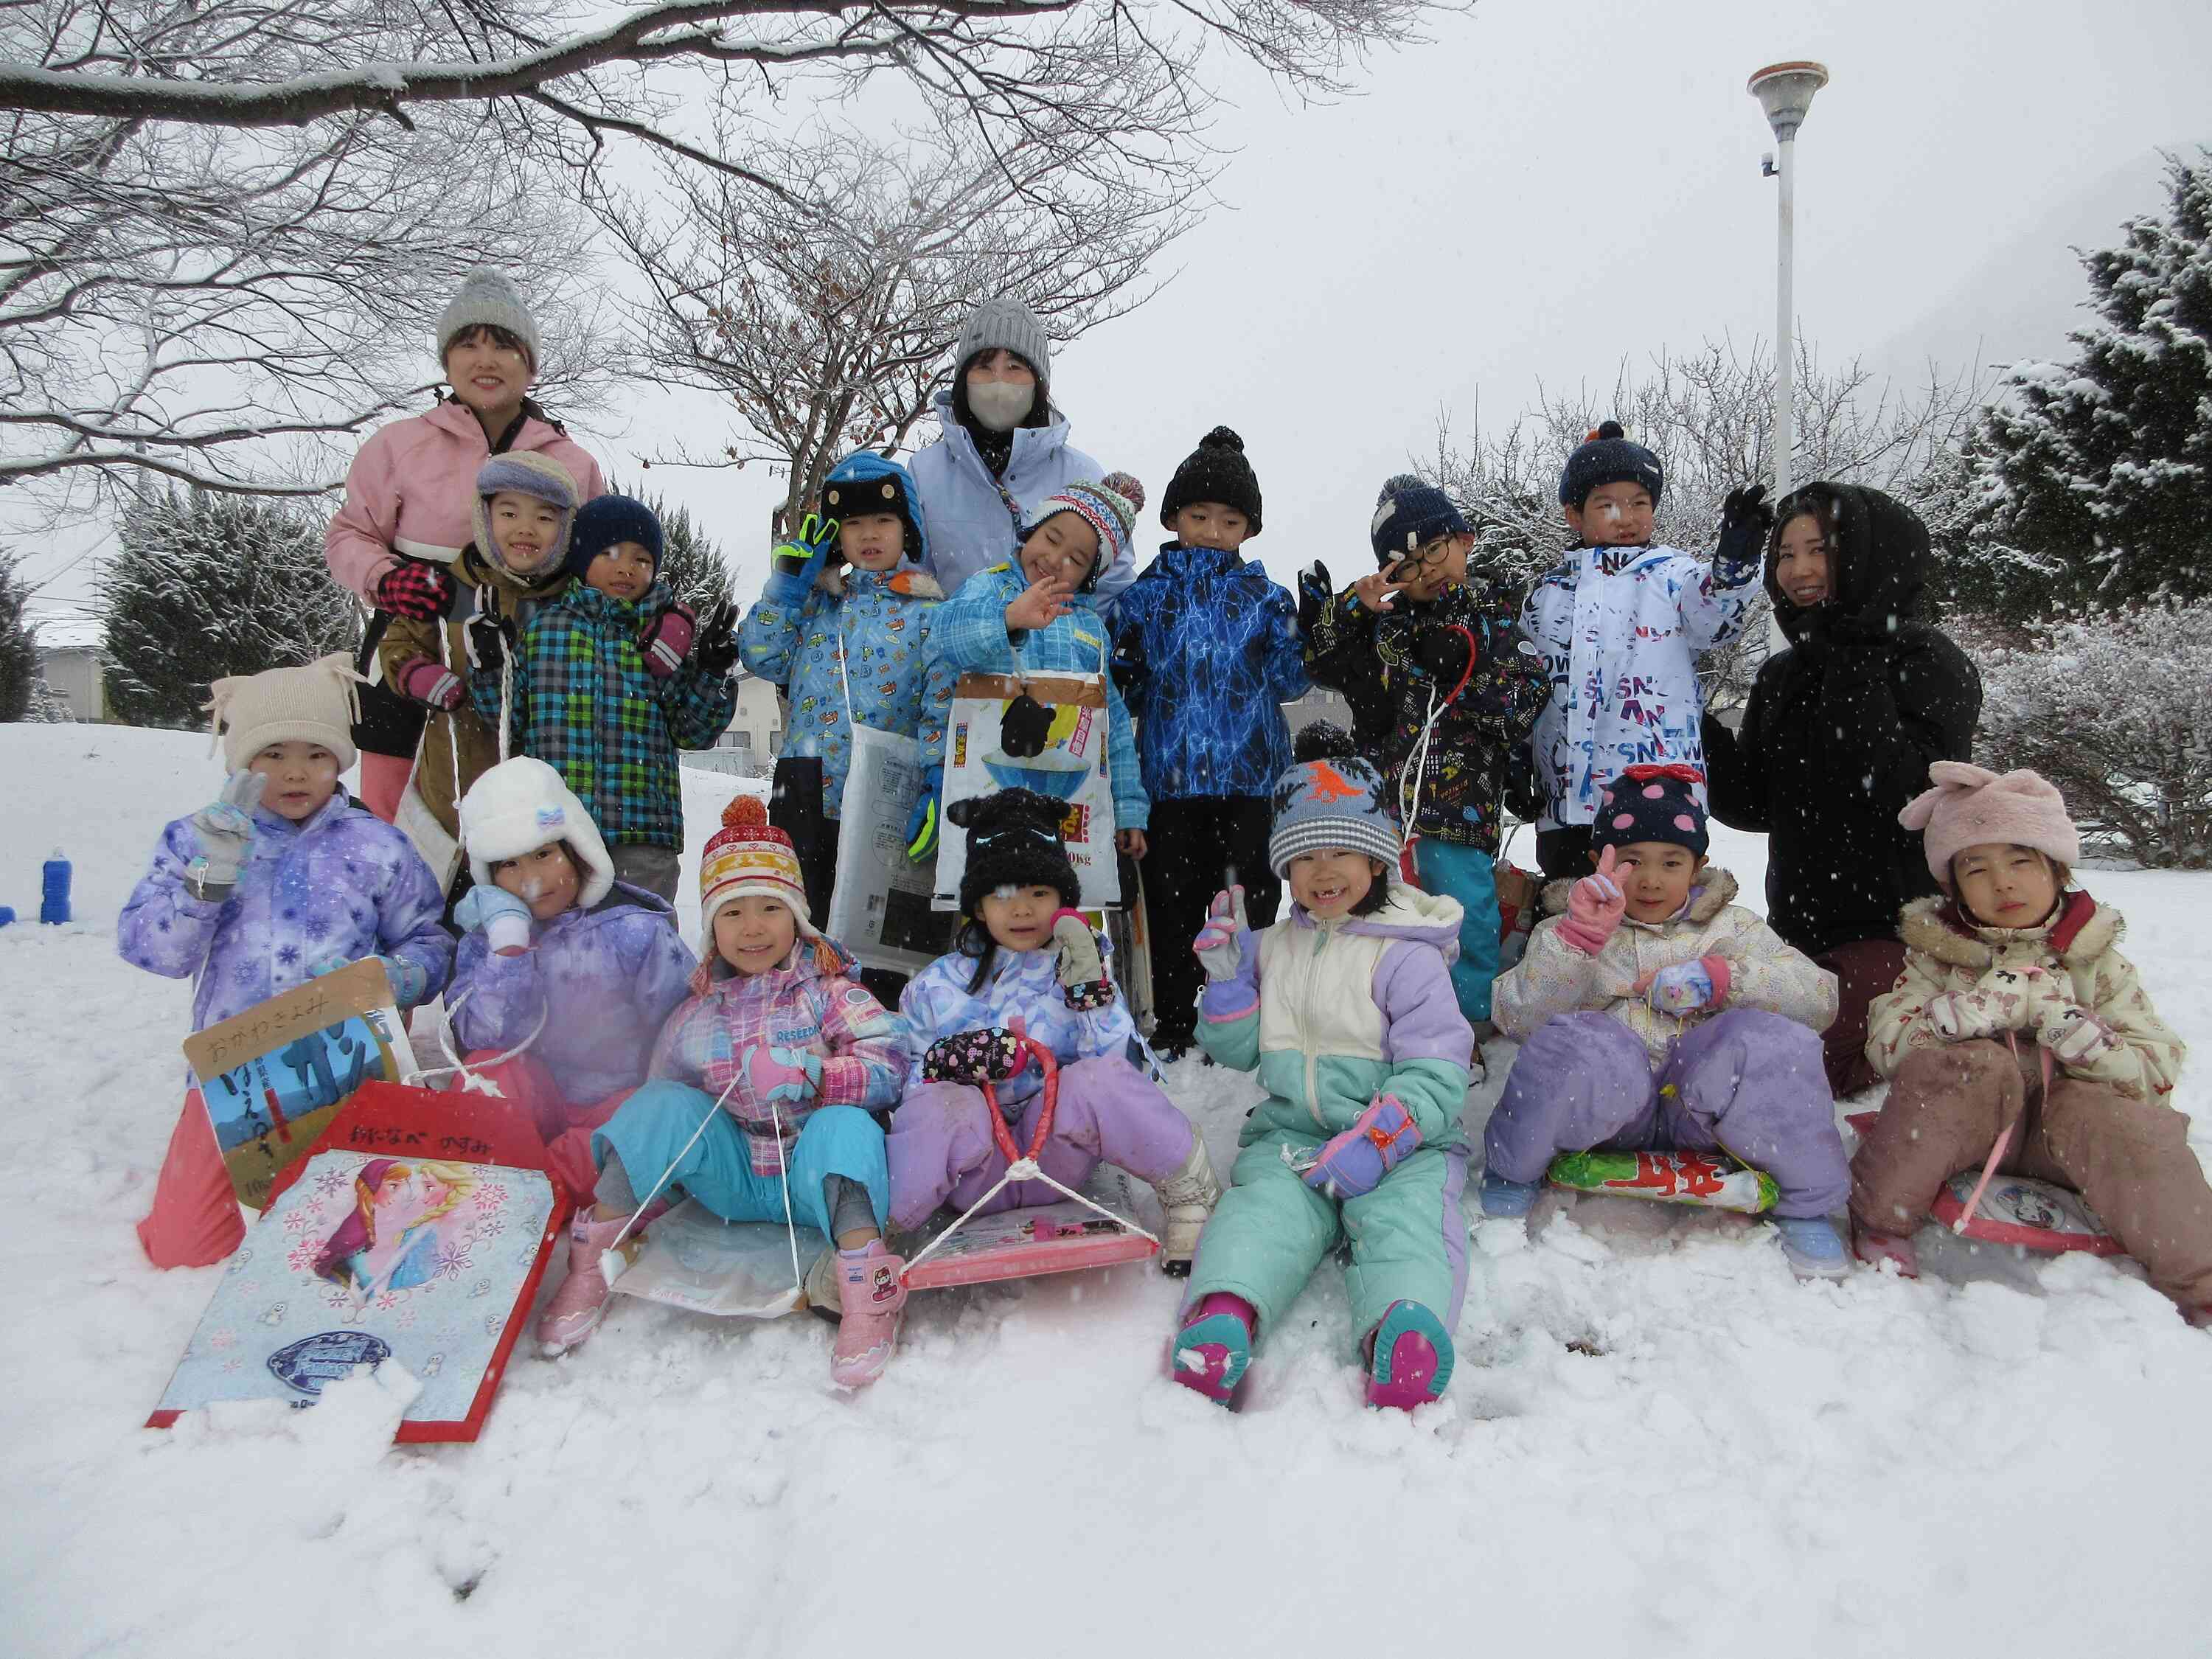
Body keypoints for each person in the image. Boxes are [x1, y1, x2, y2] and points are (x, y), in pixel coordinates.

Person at [536, 797, 911, 1388]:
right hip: (735, 1178)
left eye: (770, 908)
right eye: (733, 913)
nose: (753, 927)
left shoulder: (829, 992)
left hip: (812, 1182)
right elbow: (668, 1111)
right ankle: (593, 1256)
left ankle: (868, 1288)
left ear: (798, 919)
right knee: (655, 1107)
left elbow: (891, 1063)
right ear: (712, 927)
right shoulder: (695, 1014)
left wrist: (813, 1076)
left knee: (846, 1126)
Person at [1169, 728, 1476, 1411]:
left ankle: (1405, 1335)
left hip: (1402, 1148)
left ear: (1377, 861)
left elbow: (1437, 1069)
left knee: (1407, 1228)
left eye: (1342, 851)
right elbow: (1239, 1052)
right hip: (1293, 1141)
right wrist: (1227, 987)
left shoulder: (1406, 956)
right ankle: (1222, 1320)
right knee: (1257, 1218)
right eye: (1304, 855)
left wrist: (1377, 1142)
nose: (1323, 871)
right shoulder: (1272, 947)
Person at [118, 655, 453, 1268]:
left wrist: (399, 978)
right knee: (185, 1250)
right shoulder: (197, 839)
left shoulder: (376, 844)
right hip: (232, 1079)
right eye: (273, 753)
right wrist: (207, 879)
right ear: (242, 759)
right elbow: (152, 951)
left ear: (339, 759)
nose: (296, 772)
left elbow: (431, 941)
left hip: (348, 1074)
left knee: (359, 1249)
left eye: (316, 754)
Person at [1852, 764, 2210, 1318]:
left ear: (2057, 869)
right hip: (1966, 1132)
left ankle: (2200, 1279)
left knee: (2133, 1127)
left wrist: (2078, 1033)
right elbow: (1887, 1043)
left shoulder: (2098, 962)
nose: (2004, 883)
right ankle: (1882, 1219)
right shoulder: (1937, 958)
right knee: (1972, 1066)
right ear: (1954, 886)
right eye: (1977, 869)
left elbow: (2156, 1069)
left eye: (2021, 861)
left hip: (2068, 1143)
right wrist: (1963, 1016)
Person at [1481, 765, 1851, 1279]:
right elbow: (1518, 1017)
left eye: (1671, 862)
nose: (1652, 879)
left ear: (1698, 866)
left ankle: (1804, 1202)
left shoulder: (1735, 929)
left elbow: (1818, 1000)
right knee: (1578, 1042)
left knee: (1768, 1043)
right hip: (1611, 1115)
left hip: (1705, 1114)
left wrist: (1727, 980)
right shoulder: (1570, 927)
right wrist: (1577, 946)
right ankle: (1514, 1171)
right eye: (1631, 861)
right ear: (1598, 862)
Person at [1703, 483, 1982, 1097]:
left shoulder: (1927, 659)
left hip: (1898, 935)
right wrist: (1698, 731)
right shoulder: (1784, 672)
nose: (1797, 569)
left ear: (1866, 557)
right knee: (1720, 1050)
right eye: (1784, 553)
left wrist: (1851, 655)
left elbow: (1905, 795)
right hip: (1797, 930)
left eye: (1818, 550)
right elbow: (1753, 806)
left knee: (1793, 1073)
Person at [887, 789, 1219, 1265]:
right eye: (1003, 895)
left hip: (1057, 1161)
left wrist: (1091, 997)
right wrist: (944, 1066)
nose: (1022, 910)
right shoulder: (938, 985)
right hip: (972, 1171)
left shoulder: (1080, 966)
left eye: (1039, 893)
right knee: (943, 1105)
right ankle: (879, 1232)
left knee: (1097, 1080)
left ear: (1063, 901)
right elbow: (901, 1076)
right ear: (978, 907)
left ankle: (1189, 1187)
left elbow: (1123, 1072)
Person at [324, 268, 605, 824]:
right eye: (468, 344)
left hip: (528, 663)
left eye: (503, 345)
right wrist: (387, 578)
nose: (486, 359)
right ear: (446, 359)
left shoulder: (572, 462)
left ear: (530, 363)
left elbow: (599, 562)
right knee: (392, 819)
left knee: (525, 819)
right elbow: (347, 535)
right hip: (410, 652)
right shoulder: (398, 446)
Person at [1303, 476, 1548, 1043]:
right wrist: (1352, 608)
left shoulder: (1495, 616)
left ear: (1463, 540)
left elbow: (1524, 701)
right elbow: (1320, 661)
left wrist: (1463, 674)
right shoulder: (1385, 628)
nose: (1427, 569)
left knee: (1465, 917)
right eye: (1406, 564)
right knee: (1378, 918)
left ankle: (1464, 1027)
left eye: (1434, 550)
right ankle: (1373, 1019)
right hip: (1384, 812)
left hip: (1459, 812)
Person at [1108, 428, 1308, 1057]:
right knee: (1173, 902)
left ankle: (1245, 1013)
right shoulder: (1145, 595)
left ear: (1248, 529)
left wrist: (1312, 628)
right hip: (1168, 777)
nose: (1213, 530)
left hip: (1252, 774)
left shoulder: (1264, 597)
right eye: (1199, 516)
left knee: (1250, 898)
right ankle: (1174, 1018)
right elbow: (1123, 681)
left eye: (1229, 520)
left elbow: (1290, 681)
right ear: (1173, 518)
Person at [1521, 422, 1766, 881]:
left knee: (1657, 924)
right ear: (1575, 515)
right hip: (1565, 803)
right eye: (1607, 504)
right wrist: (1518, 756)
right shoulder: (1546, 596)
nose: (1626, 516)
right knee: (1569, 927)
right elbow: (1527, 684)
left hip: (1656, 797)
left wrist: (1733, 565)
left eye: (1639, 503)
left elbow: (1714, 620)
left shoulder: (1675, 577)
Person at [447, 757, 699, 1199]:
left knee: (644, 1121)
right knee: (485, 1073)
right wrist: (508, 950)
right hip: (540, 1103)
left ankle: (529, 1192)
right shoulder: (485, 943)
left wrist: (658, 1105)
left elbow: (686, 1031)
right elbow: (485, 1037)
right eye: (509, 865)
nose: (531, 881)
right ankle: (501, 1179)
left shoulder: (633, 931)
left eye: (544, 855)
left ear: (576, 852)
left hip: (619, 1103)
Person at [470, 493, 739, 903]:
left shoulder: (662, 637)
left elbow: (693, 731)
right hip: (555, 834)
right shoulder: (545, 630)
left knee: (642, 948)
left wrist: (712, 672)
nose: (627, 568)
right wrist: (491, 667)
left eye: (642, 560)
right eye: (611, 552)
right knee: (558, 954)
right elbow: (507, 723)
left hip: (642, 831)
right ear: (581, 557)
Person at [737, 451, 956, 941]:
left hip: (885, 796)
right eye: (854, 523)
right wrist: (787, 587)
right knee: (801, 932)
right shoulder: (813, 604)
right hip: (805, 791)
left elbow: (940, 707)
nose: (870, 534)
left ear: (908, 529)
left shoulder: (931, 614)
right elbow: (759, 656)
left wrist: (937, 781)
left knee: (881, 942)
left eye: (883, 520)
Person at [376, 451, 580, 891]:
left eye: (545, 518)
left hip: (542, 789)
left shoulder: (573, 602)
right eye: (509, 513)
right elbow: (398, 642)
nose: (525, 528)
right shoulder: (448, 588)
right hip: (456, 773)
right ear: (485, 517)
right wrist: (418, 674)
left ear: (564, 531)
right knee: (446, 912)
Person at [925, 476, 1151, 859]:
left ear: (1089, 577)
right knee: (988, 889)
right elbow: (945, 636)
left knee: (1059, 896)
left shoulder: (1091, 629)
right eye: (1051, 537)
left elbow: (1110, 725)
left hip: (1062, 804)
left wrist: (1128, 805)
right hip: (984, 786)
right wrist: (1009, 617)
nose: (1054, 559)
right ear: (1031, 531)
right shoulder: (987, 589)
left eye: (1077, 560)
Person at [907, 297, 1133, 610]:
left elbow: (1112, 592)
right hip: (953, 654)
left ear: (1037, 383)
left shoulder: (1082, 476)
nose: (999, 382)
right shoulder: (924, 472)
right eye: (984, 367)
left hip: (1056, 655)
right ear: (964, 381)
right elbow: (907, 583)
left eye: (1015, 367)